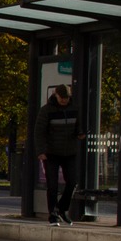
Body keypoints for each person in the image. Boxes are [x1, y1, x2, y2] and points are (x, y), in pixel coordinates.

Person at [34, 84, 83, 225]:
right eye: (62, 98)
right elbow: (39, 132)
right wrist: (41, 151)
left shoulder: (74, 108)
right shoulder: (46, 110)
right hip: (51, 153)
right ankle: (53, 214)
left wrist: (80, 133)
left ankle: (61, 208)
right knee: (53, 185)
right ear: (56, 95)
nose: (64, 101)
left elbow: (78, 125)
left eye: (66, 98)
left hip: (69, 152)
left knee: (72, 182)